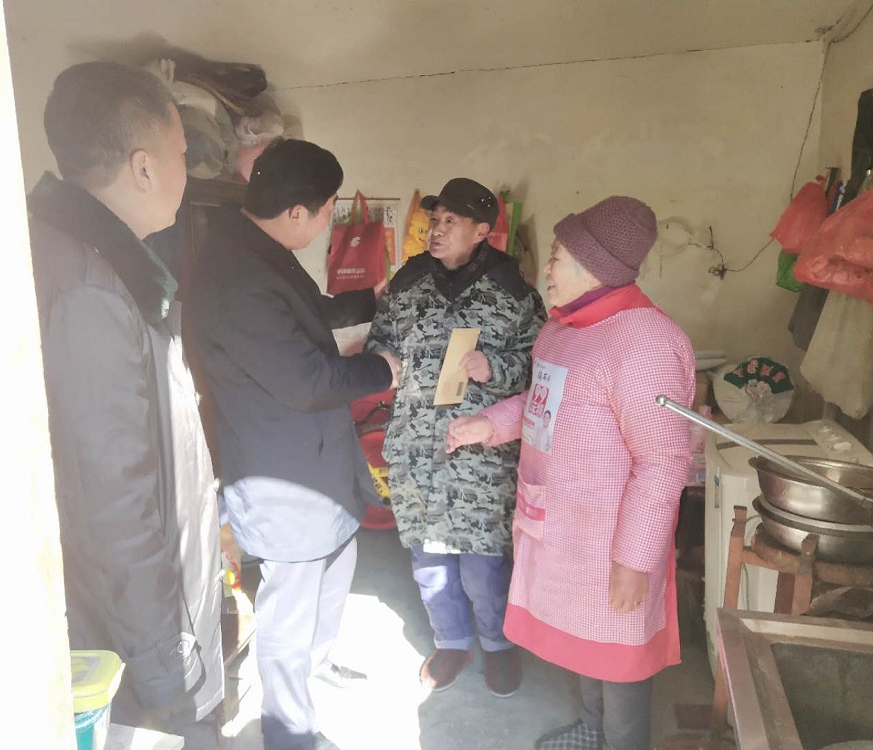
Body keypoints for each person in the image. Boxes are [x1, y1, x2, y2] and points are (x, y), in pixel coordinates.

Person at [447, 196, 695, 750]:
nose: (548, 268)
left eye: (557, 255)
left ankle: (622, 743)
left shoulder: (645, 342)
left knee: (618, 652)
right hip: (561, 527)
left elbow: (661, 462)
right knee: (585, 636)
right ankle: (590, 726)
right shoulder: (561, 331)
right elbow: (541, 405)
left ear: (592, 269)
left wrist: (635, 560)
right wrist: (489, 424)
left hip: (611, 537)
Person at [26, 62, 224, 747]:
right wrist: (169, 674)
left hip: (131, 628)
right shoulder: (91, 288)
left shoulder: (81, 256)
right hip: (139, 651)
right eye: (181, 154)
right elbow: (112, 506)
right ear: (143, 167)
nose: (185, 173)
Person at [184, 138, 400, 750]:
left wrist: (368, 300)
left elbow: (309, 312)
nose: (329, 219)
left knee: (336, 567)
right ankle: (288, 729)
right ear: (298, 211)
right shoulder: (236, 276)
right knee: (291, 603)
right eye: (329, 209)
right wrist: (382, 370)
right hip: (282, 467)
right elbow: (306, 382)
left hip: (319, 456)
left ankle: (318, 661)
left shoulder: (260, 245)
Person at [366, 178, 546, 698]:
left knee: (484, 565)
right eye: (434, 220)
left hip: (481, 455)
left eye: (450, 221)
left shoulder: (513, 292)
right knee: (429, 560)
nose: (436, 230)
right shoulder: (407, 282)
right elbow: (381, 341)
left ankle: (497, 644)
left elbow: (541, 365)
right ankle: (452, 642)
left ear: (482, 231)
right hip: (416, 445)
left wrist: (496, 368)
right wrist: (384, 364)